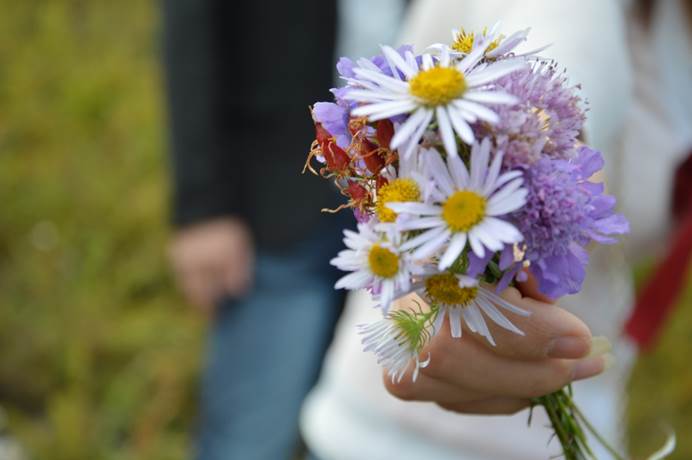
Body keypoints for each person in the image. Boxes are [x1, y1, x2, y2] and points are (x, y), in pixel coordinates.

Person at [301, 0, 692, 458]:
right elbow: (557, 44)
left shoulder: (671, 25)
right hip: (398, 441)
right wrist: (536, 148)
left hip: (590, 419)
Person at [161, 1, 349, 459]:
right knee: (249, 439)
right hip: (276, 206)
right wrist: (202, 204)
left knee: (360, 437)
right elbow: (190, 28)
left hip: (404, 214)